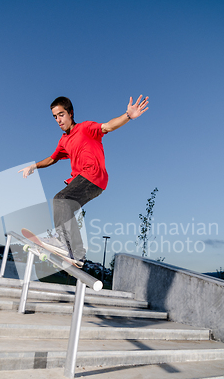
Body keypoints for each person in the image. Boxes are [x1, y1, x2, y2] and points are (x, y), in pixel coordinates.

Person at [19, 95, 149, 263]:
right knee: (65, 207)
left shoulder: (86, 128)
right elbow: (52, 158)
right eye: (55, 117)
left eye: (61, 114)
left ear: (71, 113)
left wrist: (128, 116)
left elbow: (108, 126)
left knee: (61, 200)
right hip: (88, 182)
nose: (58, 120)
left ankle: (65, 244)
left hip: (93, 175)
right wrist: (33, 166)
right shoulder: (63, 141)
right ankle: (76, 251)